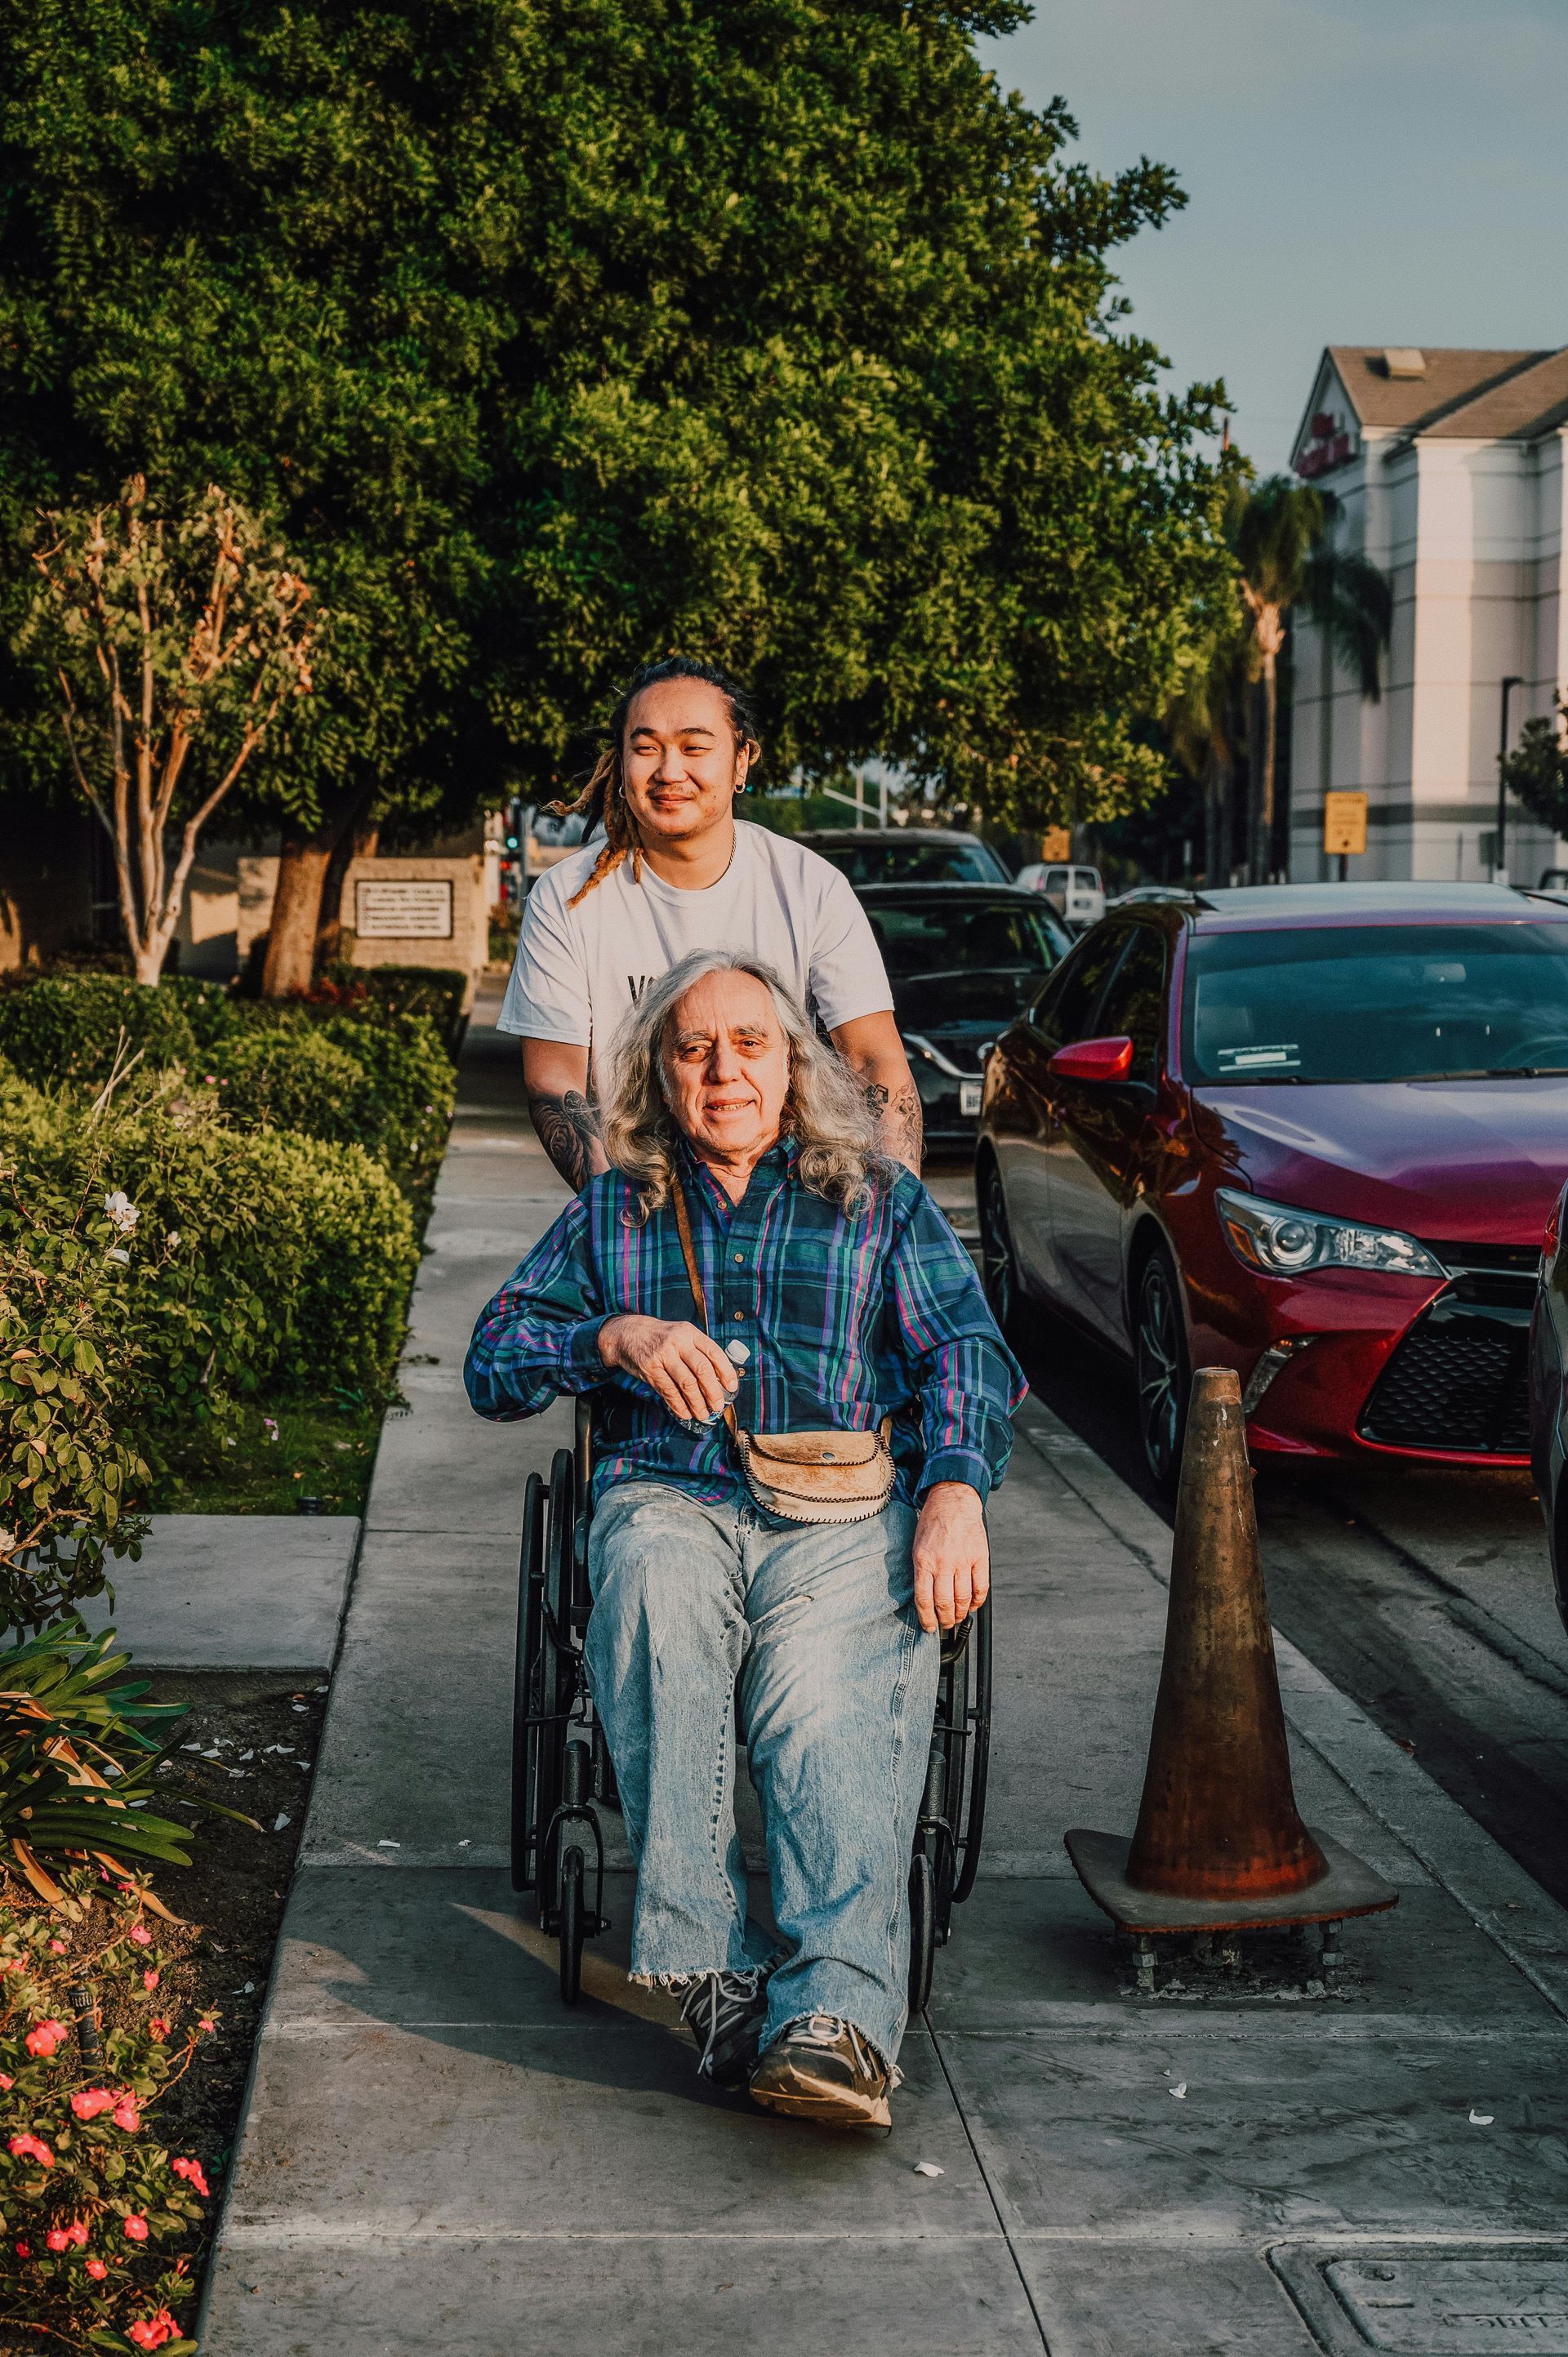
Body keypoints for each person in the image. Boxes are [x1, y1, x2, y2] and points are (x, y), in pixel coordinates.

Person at [466, 951, 1023, 2131]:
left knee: (825, 1691)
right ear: (660, 1075)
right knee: (659, 1604)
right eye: (693, 1048)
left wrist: (957, 1488)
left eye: (752, 1044)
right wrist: (612, 1335)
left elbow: (966, 1350)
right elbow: (493, 1357)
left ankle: (835, 2017)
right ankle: (714, 1969)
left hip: (836, 1506)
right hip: (667, 1495)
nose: (725, 1070)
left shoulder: (875, 1199)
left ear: (793, 1064)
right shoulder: (613, 1211)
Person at [497, 656, 924, 1187]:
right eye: (646, 748)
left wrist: (896, 1215)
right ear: (620, 762)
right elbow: (555, 1083)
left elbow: (873, 1061)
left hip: (794, 1204)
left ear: (742, 760)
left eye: (695, 748)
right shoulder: (566, 899)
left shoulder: (811, 889)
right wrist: (622, 1219)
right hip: (638, 1199)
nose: (670, 771)